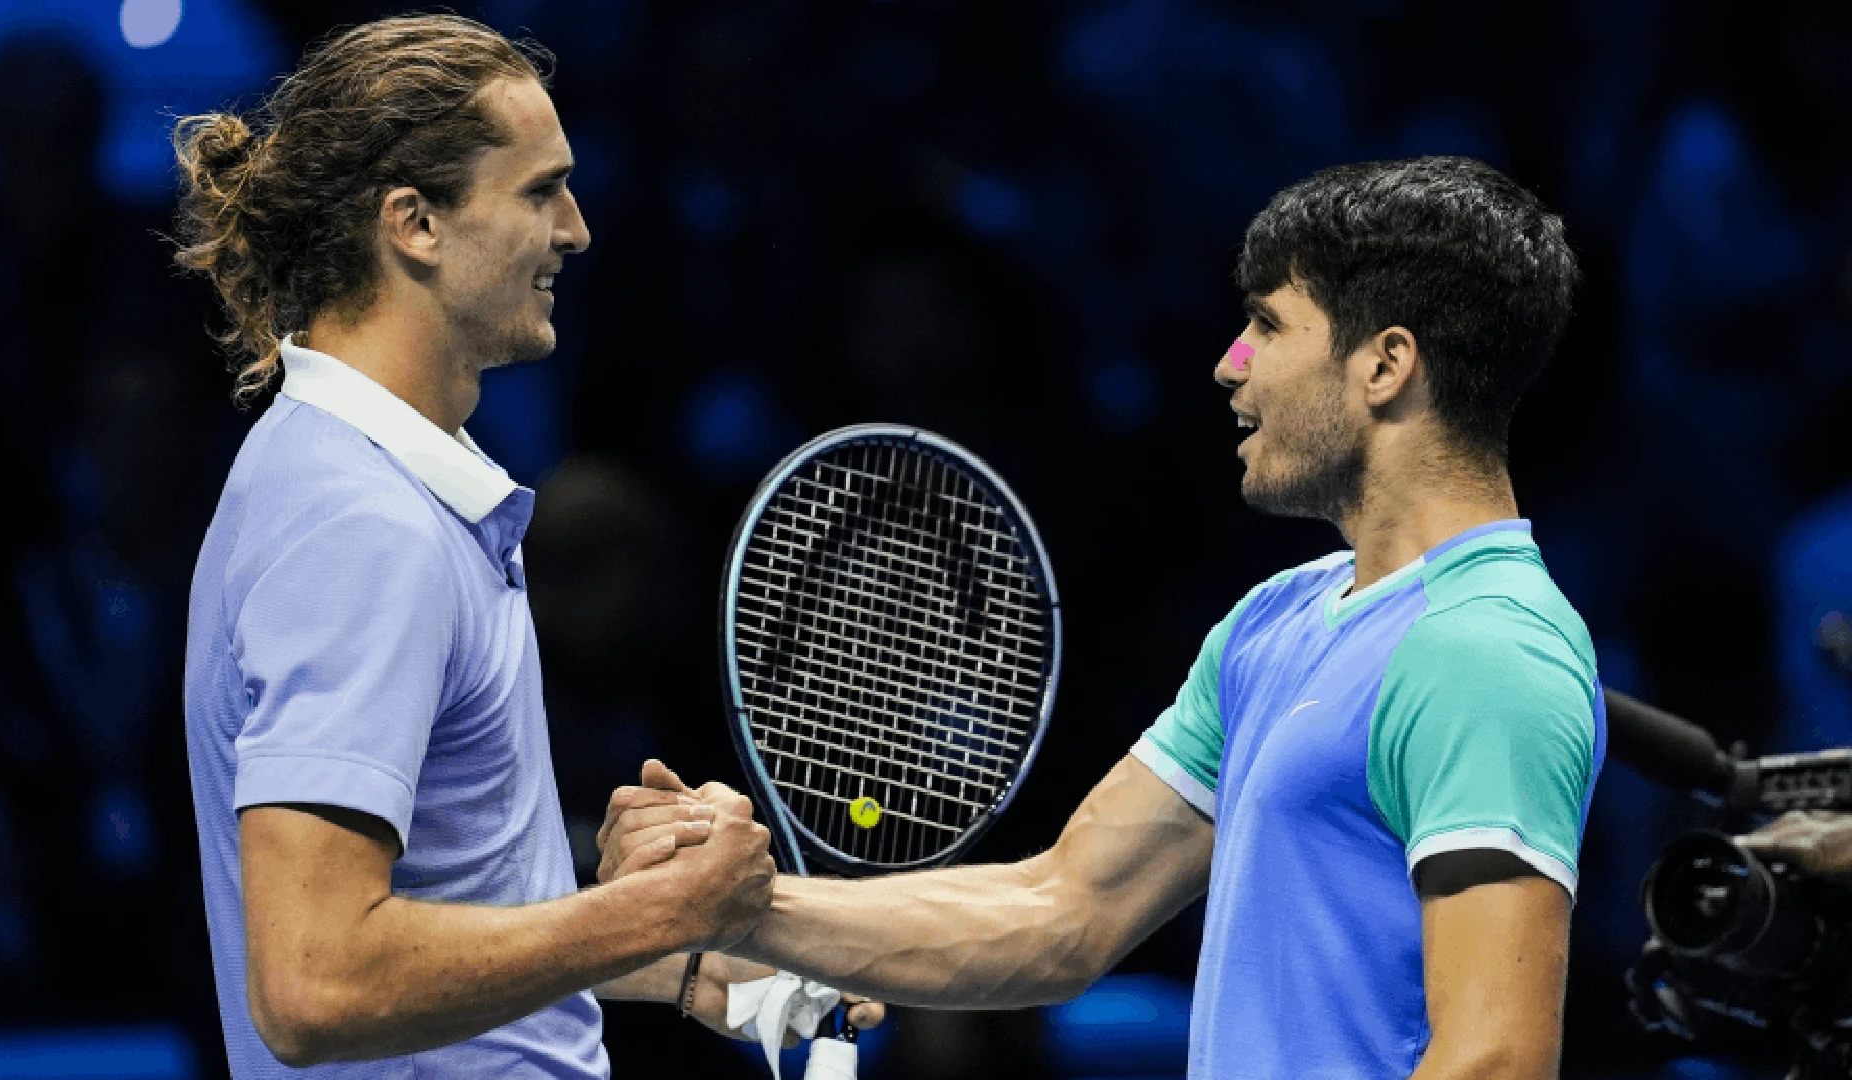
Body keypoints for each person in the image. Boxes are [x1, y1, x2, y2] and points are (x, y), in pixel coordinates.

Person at [603, 157, 1605, 1080]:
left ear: (1385, 364)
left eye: (1268, 324)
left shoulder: (1483, 648)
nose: (1229, 363)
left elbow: (1495, 1060)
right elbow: (1062, 910)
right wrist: (746, 904)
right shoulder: (1277, 621)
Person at [175, 15, 876, 1077]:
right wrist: (651, 912)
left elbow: (432, 915)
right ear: (415, 223)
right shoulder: (362, 524)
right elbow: (316, 982)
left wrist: (674, 959)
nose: (578, 229)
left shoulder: (372, 484)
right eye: (540, 190)